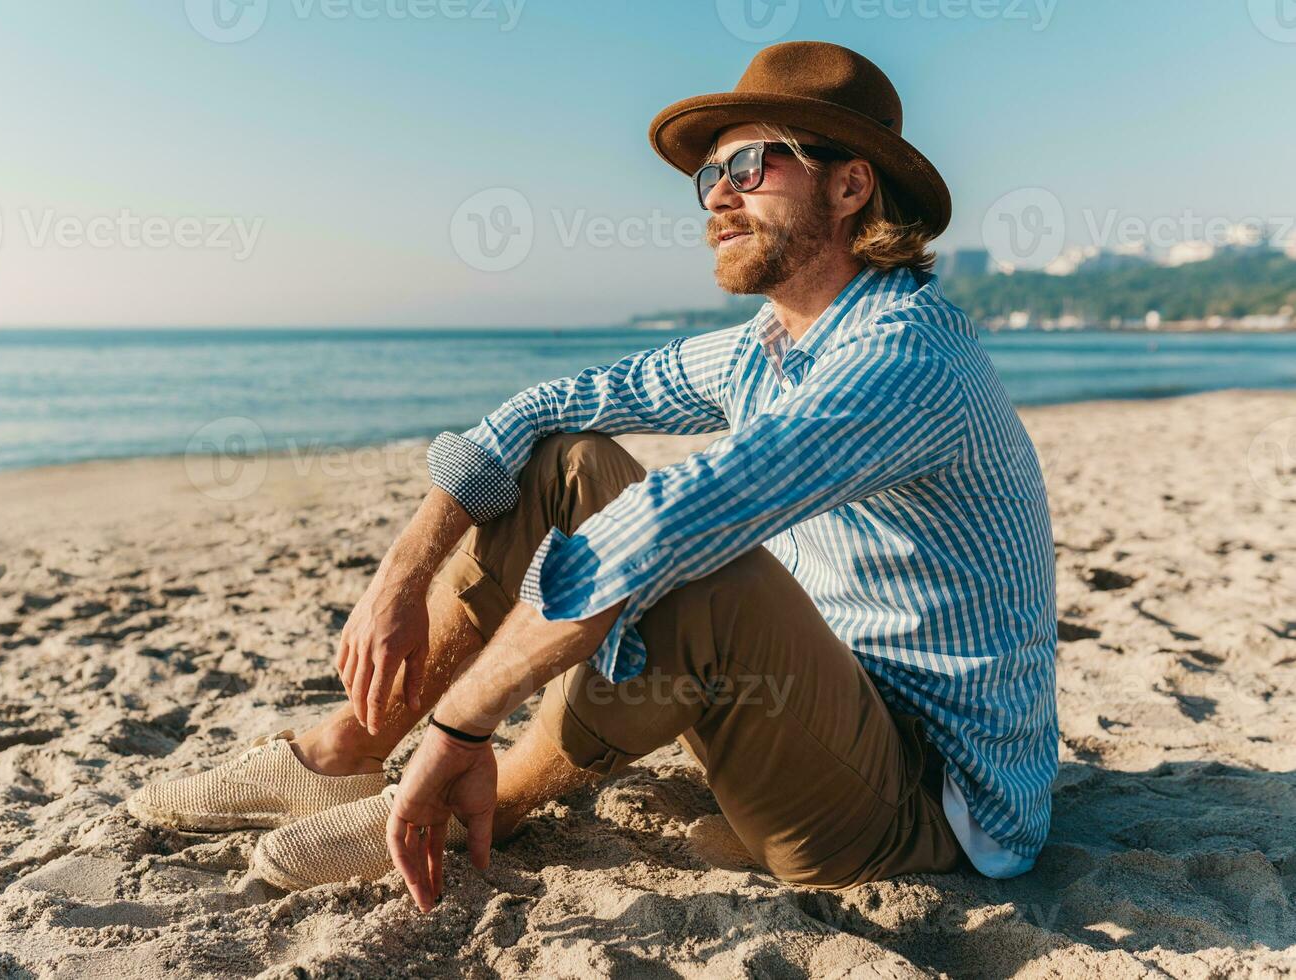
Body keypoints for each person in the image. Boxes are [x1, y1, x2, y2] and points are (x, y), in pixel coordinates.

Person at [127, 41, 1058, 910]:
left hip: (927, 806)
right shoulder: (769, 347)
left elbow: (668, 523)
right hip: (822, 720)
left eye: (749, 168)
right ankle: (341, 751)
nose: (717, 199)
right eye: (708, 177)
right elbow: (550, 406)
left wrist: (463, 721)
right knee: (565, 461)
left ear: (851, 185)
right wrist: (399, 577)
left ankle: (476, 796)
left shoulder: (907, 358)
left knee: (703, 569)